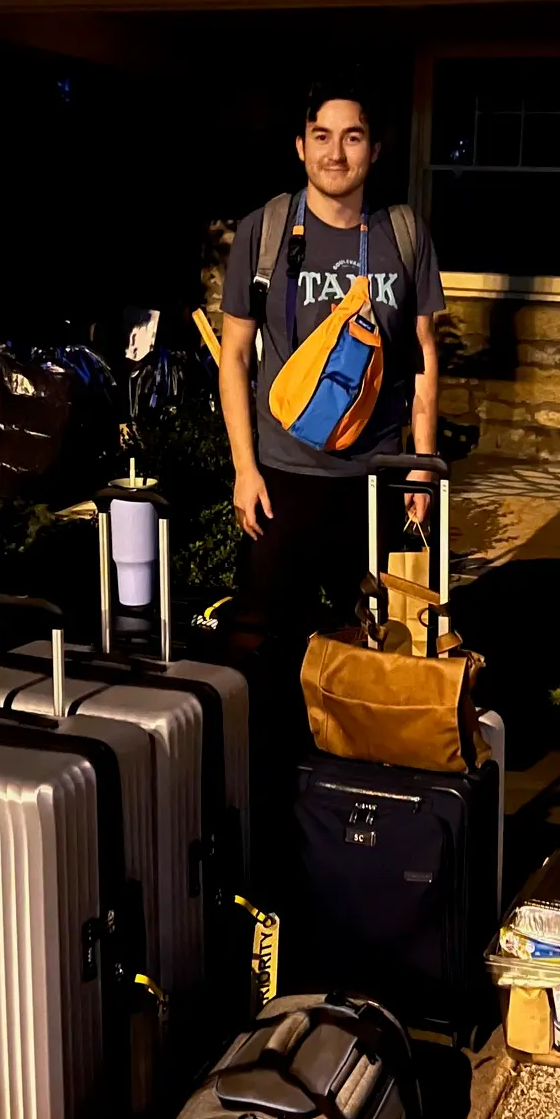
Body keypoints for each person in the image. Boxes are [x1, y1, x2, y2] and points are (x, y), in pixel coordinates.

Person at [219, 75, 445, 687]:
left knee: (384, 643)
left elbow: (423, 356)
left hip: (375, 479)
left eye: (352, 137)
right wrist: (244, 469)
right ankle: (262, 768)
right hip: (282, 476)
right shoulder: (262, 233)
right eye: (322, 136)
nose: (335, 154)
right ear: (300, 146)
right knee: (261, 641)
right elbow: (235, 356)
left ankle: (367, 769)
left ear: (374, 150)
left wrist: (419, 468)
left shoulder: (404, 233)